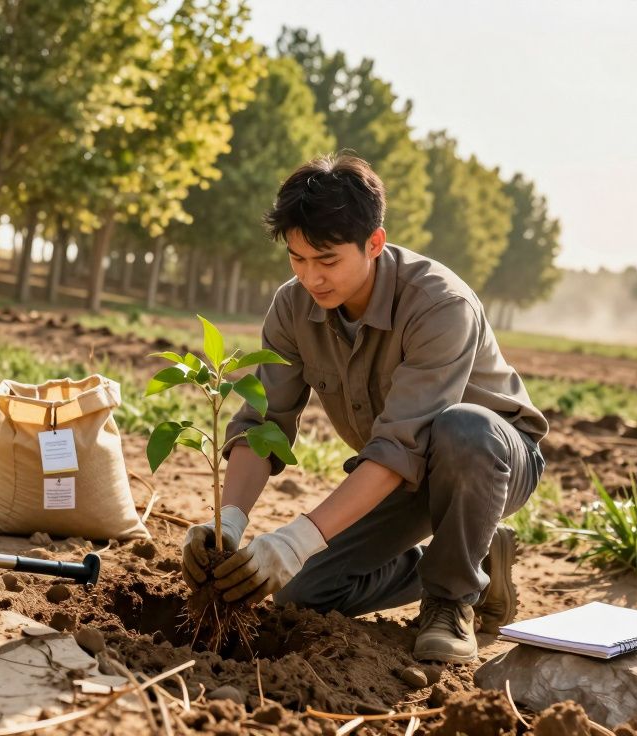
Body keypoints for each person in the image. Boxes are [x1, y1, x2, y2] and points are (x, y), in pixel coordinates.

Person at [181, 154, 549, 663]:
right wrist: (229, 522)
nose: (311, 278)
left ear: (374, 243)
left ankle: (451, 599)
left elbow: (402, 444)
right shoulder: (293, 308)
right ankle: (475, 565)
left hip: (489, 463)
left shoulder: (439, 305)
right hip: (398, 474)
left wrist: (296, 537)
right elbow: (264, 423)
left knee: (463, 428)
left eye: (327, 260)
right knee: (303, 592)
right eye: (297, 258)